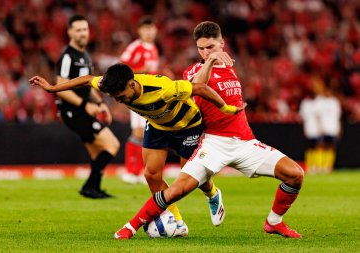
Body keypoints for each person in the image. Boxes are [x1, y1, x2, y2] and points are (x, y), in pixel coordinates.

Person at [113, 21, 305, 240]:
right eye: (201, 49)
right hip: (213, 143)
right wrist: (211, 60)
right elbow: (197, 88)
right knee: (177, 189)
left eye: (210, 47)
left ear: (222, 43)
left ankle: (274, 222)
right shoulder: (195, 69)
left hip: (245, 142)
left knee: (295, 175)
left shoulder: (231, 69)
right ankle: (131, 226)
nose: (205, 52)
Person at [29, 63, 244, 237]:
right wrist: (52, 88)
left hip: (185, 126)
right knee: (151, 174)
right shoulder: (112, 84)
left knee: (189, 179)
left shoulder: (163, 88)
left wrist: (225, 108)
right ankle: (175, 220)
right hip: (157, 126)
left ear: (132, 85)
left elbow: (200, 88)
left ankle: (213, 194)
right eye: (113, 96)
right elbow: (87, 80)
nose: (117, 100)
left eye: (120, 95)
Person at [55, 15, 120, 199]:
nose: (83, 33)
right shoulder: (67, 56)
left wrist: (100, 104)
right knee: (112, 144)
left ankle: (94, 188)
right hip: (73, 111)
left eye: (85, 29)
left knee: (97, 151)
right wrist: (85, 105)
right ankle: (88, 187)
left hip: (83, 110)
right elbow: (61, 88)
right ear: (70, 32)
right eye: (78, 30)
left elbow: (88, 85)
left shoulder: (84, 56)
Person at [119, 16, 159, 184]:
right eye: (145, 29)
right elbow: (121, 68)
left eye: (151, 29)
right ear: (139, 31)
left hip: (150, 95)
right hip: (136, 96)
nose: (149, 32)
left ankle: (140, 171)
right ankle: (131, 171)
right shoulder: (134, 48)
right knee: (138, 132)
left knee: (146, 133)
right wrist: (141, 70)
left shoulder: (154, 49)